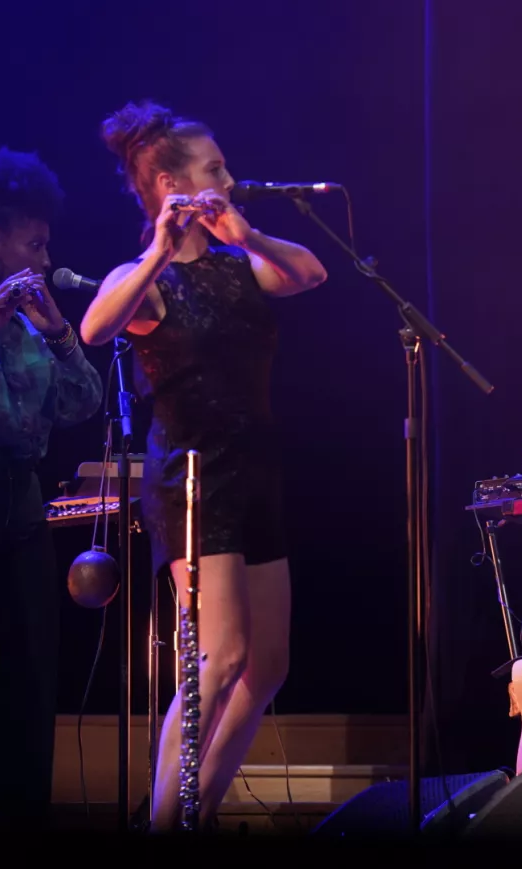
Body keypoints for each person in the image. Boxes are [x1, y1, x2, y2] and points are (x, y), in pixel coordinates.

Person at [81, 100, 328, 831]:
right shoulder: (146, 278)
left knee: (269, 662)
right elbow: (98, 327)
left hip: (256, 470)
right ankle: (162, 826)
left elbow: (310, 273)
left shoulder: (236, 267)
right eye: (214, 168)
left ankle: (196, 814)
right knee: (219, 657)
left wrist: (244, 230)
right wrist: (159, 248)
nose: (230, 175)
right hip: (193, 482)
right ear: (169, 184)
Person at [0, 146, 105, 834]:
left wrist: (61, 336)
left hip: (22, 490)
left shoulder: (32, 320)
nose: (46, 260)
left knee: (30, 659)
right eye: (35, 243)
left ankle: (20, 819)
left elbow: (83, 403)